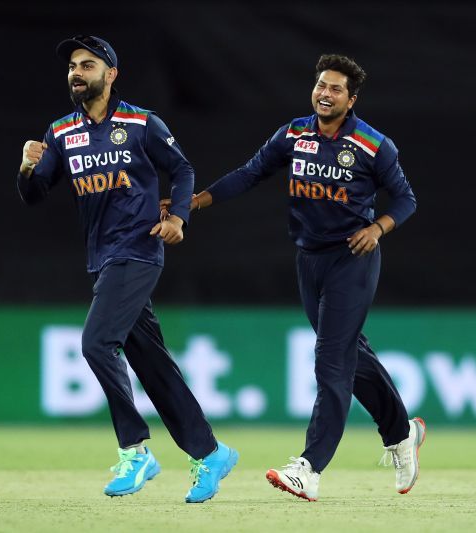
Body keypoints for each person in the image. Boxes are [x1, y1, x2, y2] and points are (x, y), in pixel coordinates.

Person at [165, 54, 424, 501]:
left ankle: (309, 468)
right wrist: (191, 205)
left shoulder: (373, 144)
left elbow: (405, 198)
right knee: (349, 356)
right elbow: (249, 174)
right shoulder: (294, 133)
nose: (325, 93)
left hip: (352, 259)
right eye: (321, 85)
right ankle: (402, 433)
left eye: (335, 88)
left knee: (330, 360)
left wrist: (377, 228)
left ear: (351, 98)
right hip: (309, 260)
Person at [16, 35, 238, 504]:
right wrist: (25, 171)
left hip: (138, 250)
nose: (77, 72)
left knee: (96, 342)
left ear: (111, 74)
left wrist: (177, 217)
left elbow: (182, 170)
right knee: (153, 365)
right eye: (73, 65)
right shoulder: (60, 133)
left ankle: (135, 450)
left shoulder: (141, 123)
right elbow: (35, 195)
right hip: (102, 258)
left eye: (88, 64)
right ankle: (210, 453)